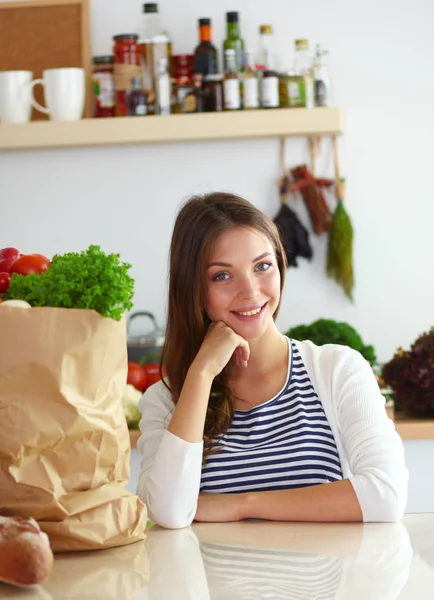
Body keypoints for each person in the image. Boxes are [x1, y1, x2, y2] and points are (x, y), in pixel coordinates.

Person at [136, 192, 408, 529]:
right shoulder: (166, 401)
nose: (250, 291)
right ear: (193, 289)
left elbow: (385, 494)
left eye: (262, 266)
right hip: (214, 582)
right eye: (222, 275)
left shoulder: (338, 370)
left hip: (327, 582)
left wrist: (241, 505)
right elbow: (167, 512)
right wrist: (202, 373)